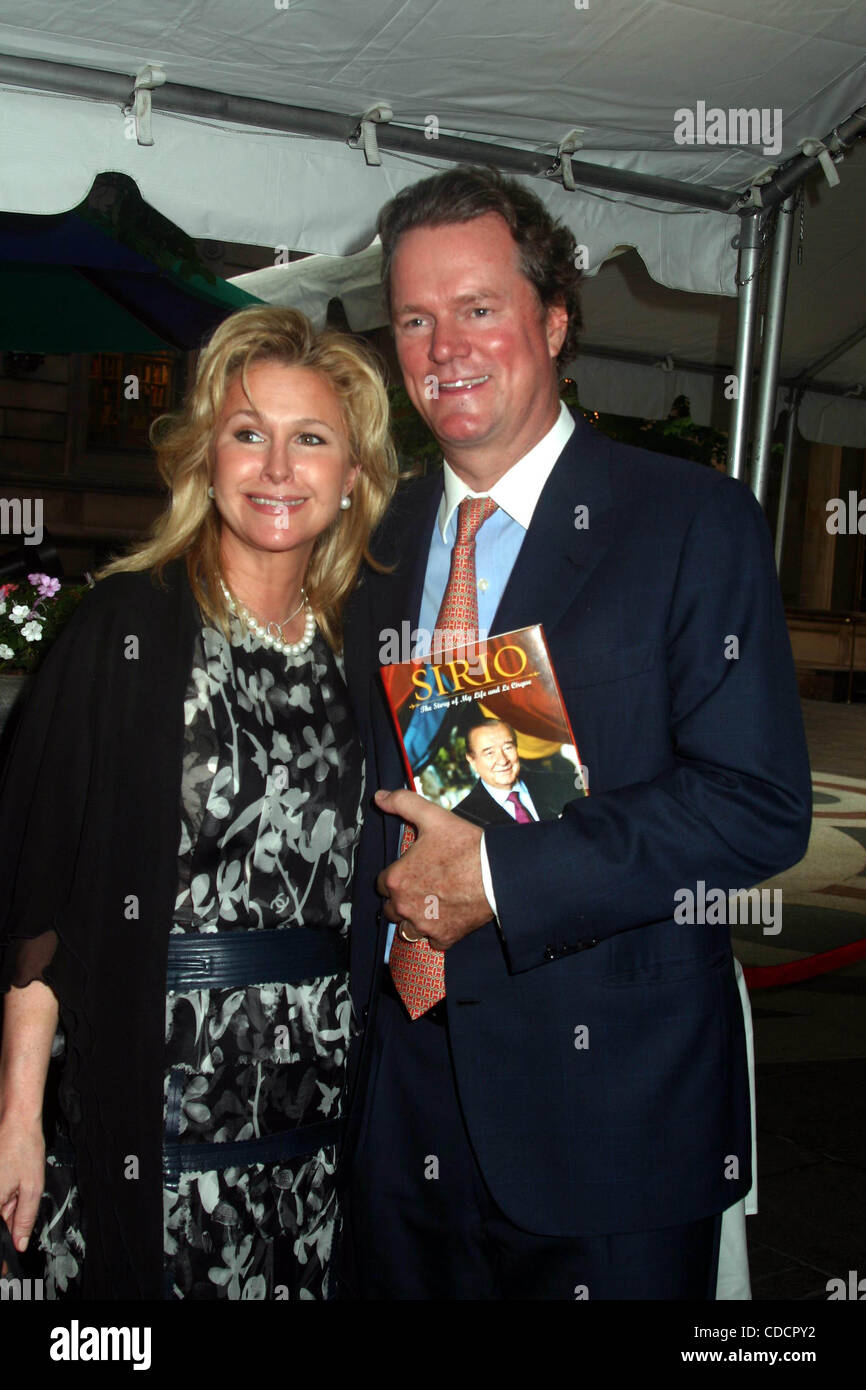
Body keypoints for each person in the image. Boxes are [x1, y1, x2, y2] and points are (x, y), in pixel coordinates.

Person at [338, 166, 812, 1300]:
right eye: (414, 317)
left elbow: (756, 804)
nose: (443, 345)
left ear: (552, 318)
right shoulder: (373, 535)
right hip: (397, 1104)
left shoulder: (688, 519)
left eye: (478, 307)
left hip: (611, 1115)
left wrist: (499, 875)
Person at [0, 306, 396, 1300]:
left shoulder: (372, 648)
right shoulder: (124, 627)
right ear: (204, 458)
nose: (275, 466)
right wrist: (15, 1114)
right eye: (246, 432)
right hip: (148, 1091)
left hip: (315, 1107)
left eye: (310, 439)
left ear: (352, 476)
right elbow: (33, 902)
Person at [454, 716, 564, 827]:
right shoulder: (463, 819)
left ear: (517, 748)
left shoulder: (559, 783)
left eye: (508, 748)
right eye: (489, 753)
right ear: (472, 760)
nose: (503, 761)